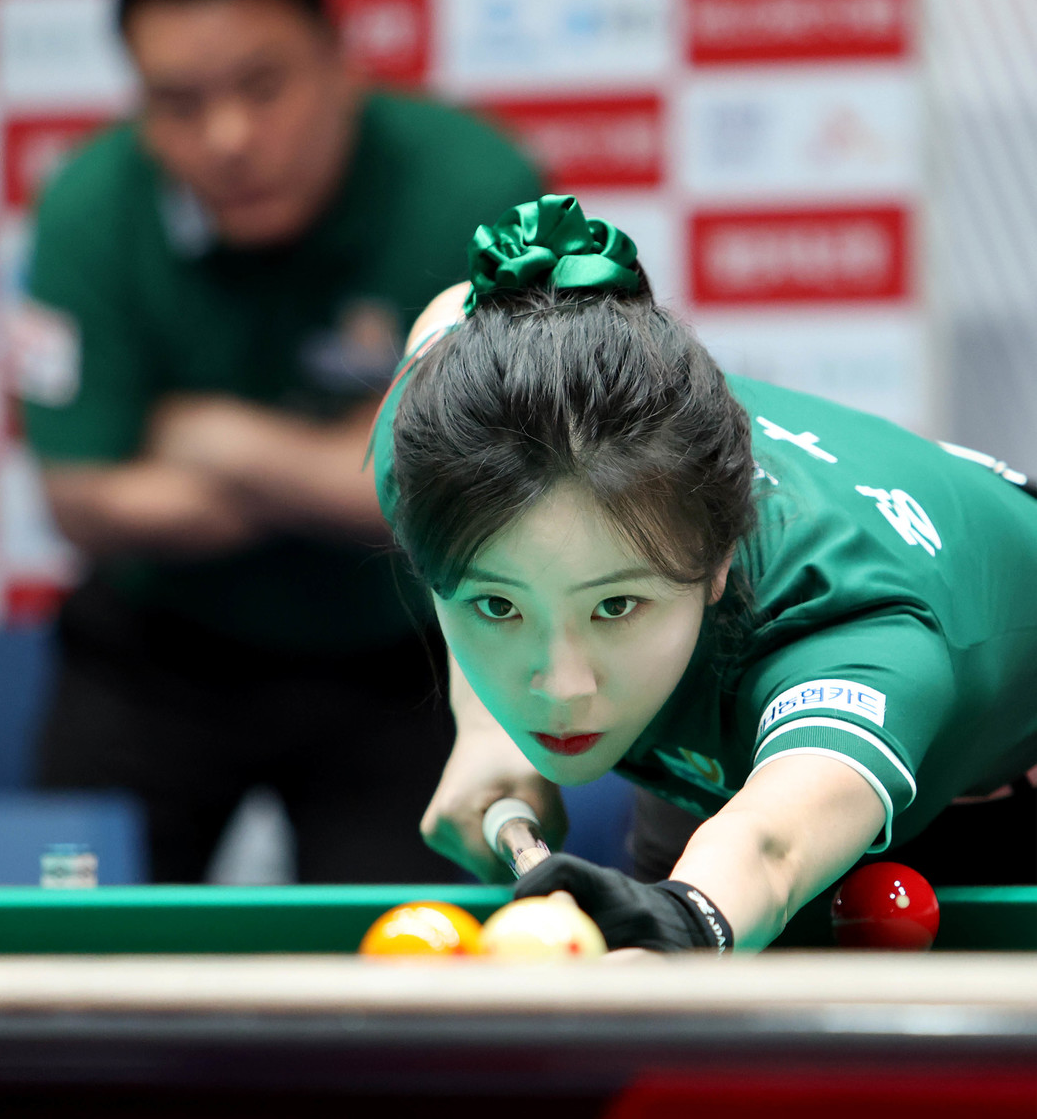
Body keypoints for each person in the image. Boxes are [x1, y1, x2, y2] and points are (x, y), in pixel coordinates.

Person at [15, 0, 541, 884]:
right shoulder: (88, 208)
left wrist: (218, 441)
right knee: (63, 952)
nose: (227, 137)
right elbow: (84, 498)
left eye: (263, 86)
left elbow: (472, 492)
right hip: (153, 652)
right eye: (178, 103)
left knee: (411, 962)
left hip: (410, 653)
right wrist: (356, 462)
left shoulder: (476, 190)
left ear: (342, 61)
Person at [368, 194, 1037, 952]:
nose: (561, 688)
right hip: (714, 741)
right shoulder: (448, 440)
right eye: (497, 605)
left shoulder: (848, 624)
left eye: (616, 606)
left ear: (717, 562)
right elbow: (455, 308)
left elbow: (770, 849)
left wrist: (686, 921)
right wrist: (487, 729)